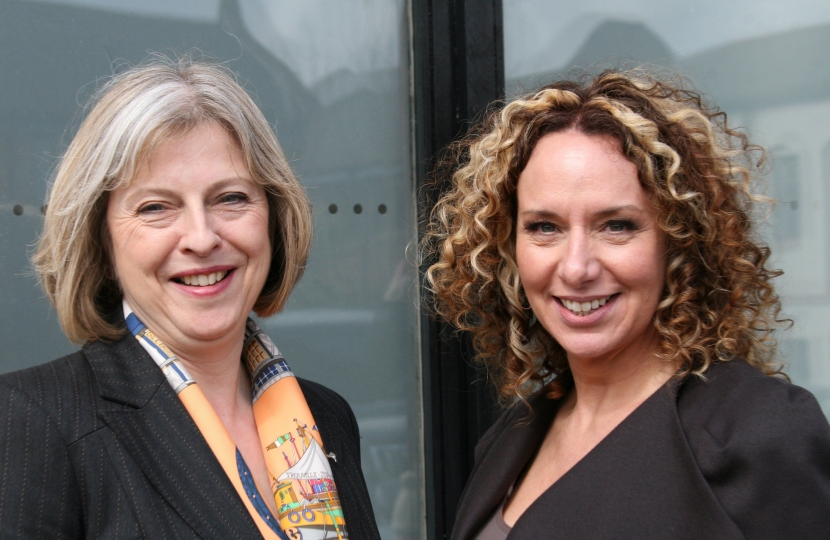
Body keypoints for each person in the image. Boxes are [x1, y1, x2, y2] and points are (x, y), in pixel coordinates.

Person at [423, 70, 830, 539]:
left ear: (678, 241)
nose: (576, 268)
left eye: (616, 225)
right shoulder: (516, 432)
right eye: (544, 227)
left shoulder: (758, 432)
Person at [0, 57, 379, 540]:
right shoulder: (33, 419)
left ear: (274, 216)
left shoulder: (327, 417)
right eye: (155, 207)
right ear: (101, 240)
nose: (201, 238)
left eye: (231, 198)